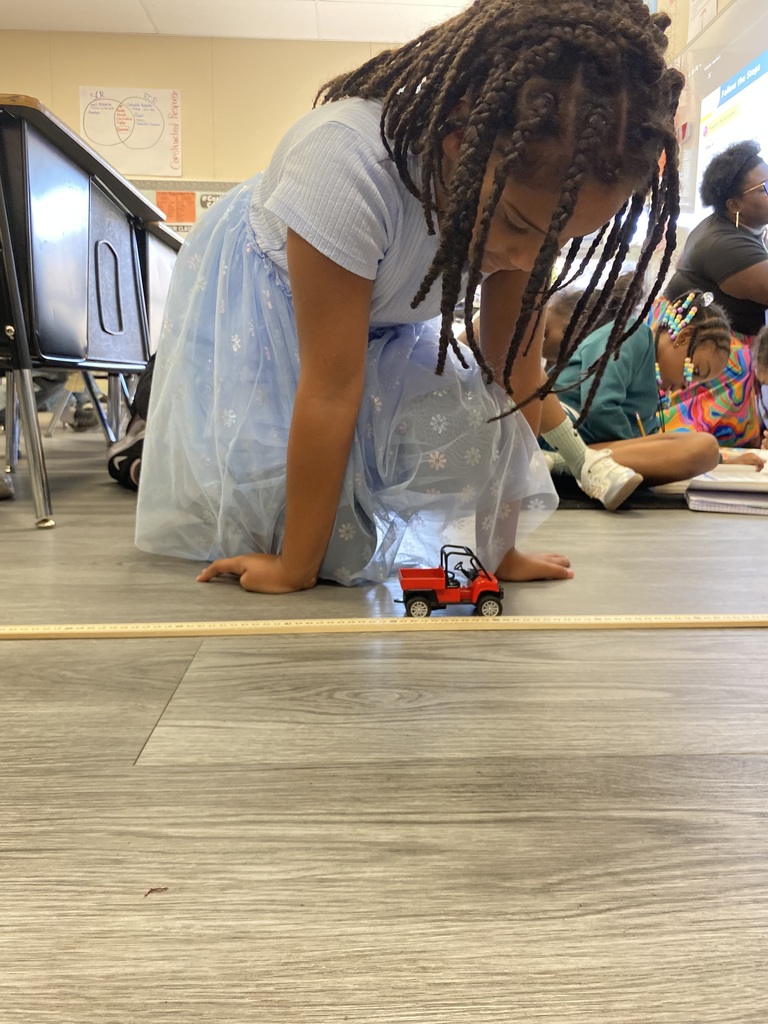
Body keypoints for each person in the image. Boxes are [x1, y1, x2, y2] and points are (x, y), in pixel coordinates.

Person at [135, 0, 684, 594]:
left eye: (558, 240)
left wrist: (500, 546)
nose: (528, 260)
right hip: (265, 304)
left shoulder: (531, 201)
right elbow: (329, 387)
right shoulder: (345, 163)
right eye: (519, 227)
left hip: (382, 323)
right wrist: (293, 568)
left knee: (468, 429)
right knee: (265, 507)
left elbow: (516, 373)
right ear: (456, 143)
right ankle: (153, 460)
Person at [539, 290, 765, 501]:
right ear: (683, 337)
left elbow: (654, 440)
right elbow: (601, 407)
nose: (687, 385)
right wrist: (643, 448)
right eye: (694, 371)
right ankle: (563, 462)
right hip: (559, 428)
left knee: (705, 448)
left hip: (588, 446)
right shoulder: (633, 334)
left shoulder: (652, 391)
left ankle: (560, 464)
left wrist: (723, 459)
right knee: (697, 447)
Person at [661, 140, 768, 446]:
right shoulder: (726, 244)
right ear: (735, 206)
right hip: (707, 362)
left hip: (707, 352)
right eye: (765, 187)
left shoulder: (726, 228)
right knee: (700, 452)